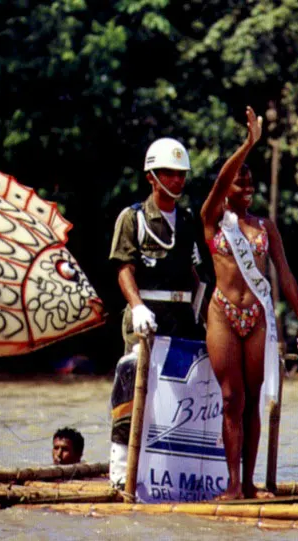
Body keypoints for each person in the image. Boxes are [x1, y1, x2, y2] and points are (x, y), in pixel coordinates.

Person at [200, 106, 298, 500]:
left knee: (251, 401)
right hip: (222, 313)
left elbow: (284, 274)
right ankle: (232, 485)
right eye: (241, 182)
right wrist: (249, 144)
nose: (247, 188)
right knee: (231, 398)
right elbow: (219, 181)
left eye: (251, 183)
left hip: (257, 318)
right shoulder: (212, 220)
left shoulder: (265, 228)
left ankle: (248, 484)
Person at [107, 137, 211, 487]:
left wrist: (206, 314)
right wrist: (137, 306)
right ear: (152, 176)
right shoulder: (133, 218)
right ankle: (122, 472)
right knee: (134, 389)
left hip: (181, 319)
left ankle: (170, 472)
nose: (177, 180)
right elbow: (124, 269)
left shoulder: (187, 219)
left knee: (180, 397)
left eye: (182, 173)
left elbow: (196, 273)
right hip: (145, 320)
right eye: (169, 172)